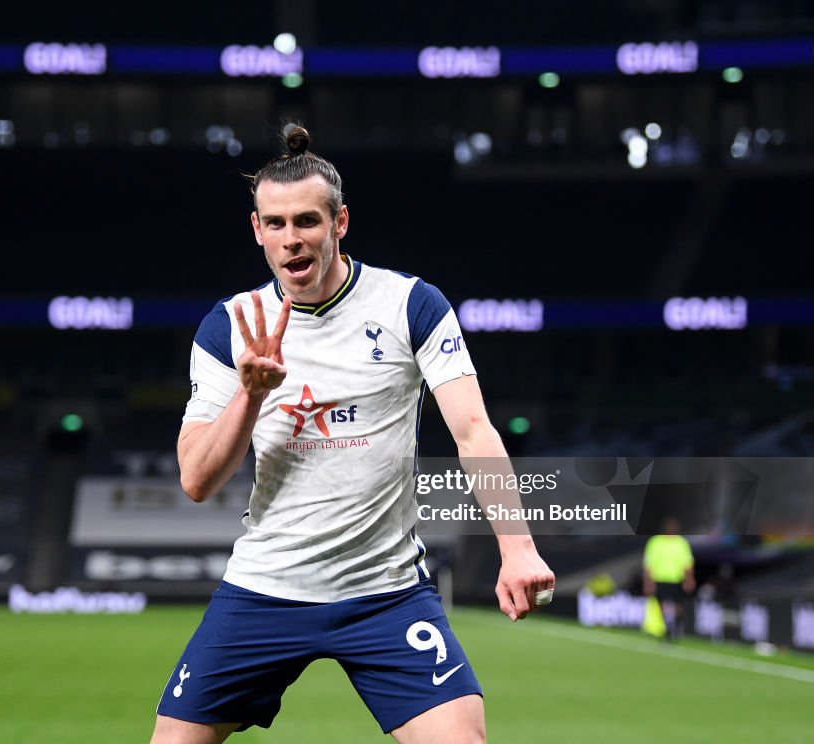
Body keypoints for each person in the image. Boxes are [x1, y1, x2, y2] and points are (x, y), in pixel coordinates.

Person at [150, 125, 554, 744]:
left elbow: (474, 431)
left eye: (307, 221)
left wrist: (518, 546)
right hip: (265, 589)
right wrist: (252, 394)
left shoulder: (410, 305)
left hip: (385, 594)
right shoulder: (229, 326)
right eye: (276, 224)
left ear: (340, 222)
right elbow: (197, 480)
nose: (292, 239)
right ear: (256, 230)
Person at [643, 516, 695, 641]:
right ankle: (666, 628)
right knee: (661, 605)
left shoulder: (681, 543)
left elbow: (687, 564)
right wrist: (648, 581)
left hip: (676, 579)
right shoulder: (655, 542)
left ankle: (676, 627)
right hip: (660, 579)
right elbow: (649, 564)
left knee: (677, 605)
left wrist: (689, 579)